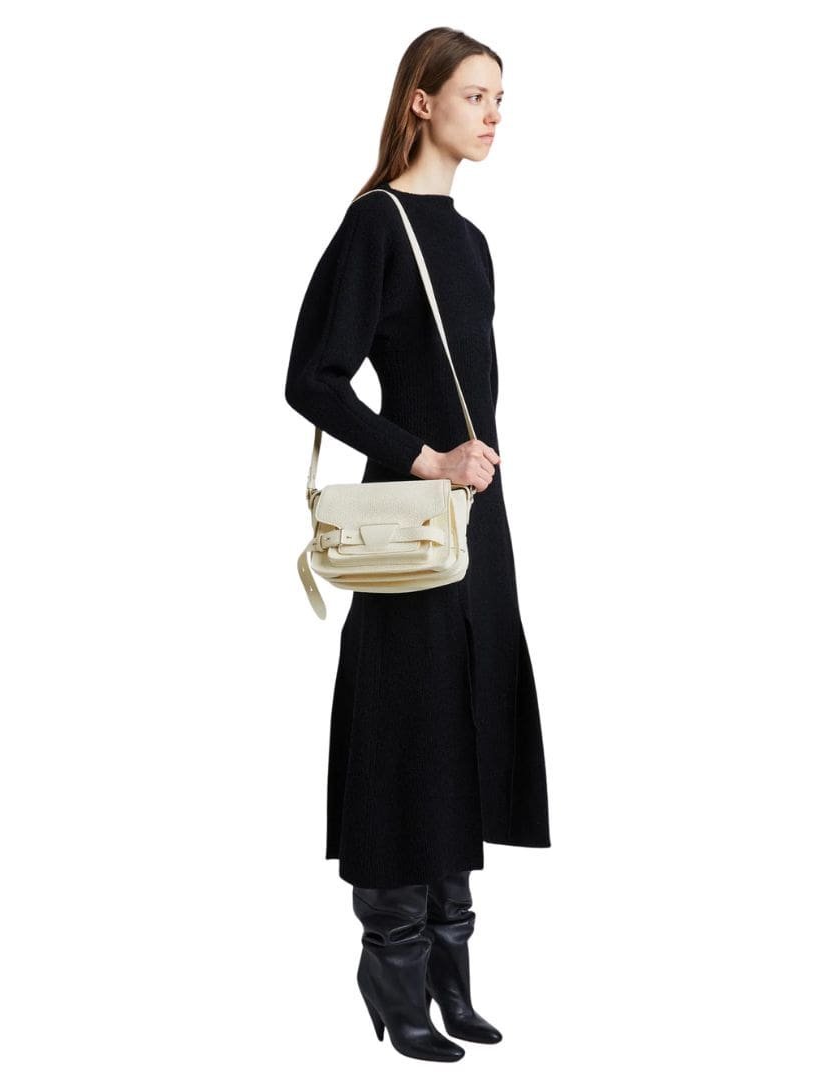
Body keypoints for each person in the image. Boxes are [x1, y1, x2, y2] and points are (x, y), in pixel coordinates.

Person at [284, 27, 550, 1062]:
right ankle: (391, 971)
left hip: (480, 524)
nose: (493, 114)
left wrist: (466, 468)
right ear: (421, 102)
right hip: (413, 523)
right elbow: (311, 378)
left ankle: (451, 967)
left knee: (465, 722)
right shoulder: (377, 226)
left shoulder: (470, 242)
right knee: (407, 733)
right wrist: (424, 456)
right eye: (474, 95)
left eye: (499, 97)